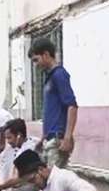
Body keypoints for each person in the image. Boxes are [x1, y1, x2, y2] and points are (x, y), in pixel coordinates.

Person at [28, 37, 78, 168]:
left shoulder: (59, 75)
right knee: (48, 181)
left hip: (58, 140)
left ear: (46, 54)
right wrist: (43, 137)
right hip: (49, 140)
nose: (35, 65)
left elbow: (72, 106)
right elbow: (53, 112)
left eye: (36, 60)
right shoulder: (49, 77)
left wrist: (67, 137)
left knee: (55, 183)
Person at [0, 118, 40, 191]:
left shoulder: (28, 150)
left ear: (19, 135)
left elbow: (18, 178)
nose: (8, 141)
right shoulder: (16, 148)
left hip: (36, 185)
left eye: (10, 138)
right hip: (26, 182)